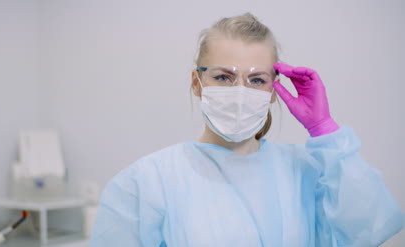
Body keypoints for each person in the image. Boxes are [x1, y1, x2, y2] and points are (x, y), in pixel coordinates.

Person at [90, 13, 404, 247]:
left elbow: (369, 228)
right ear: (197, 83)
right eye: (224, 77)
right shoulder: (145, 183)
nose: (240, 92)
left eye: (256, 80)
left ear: (272, 90)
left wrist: (324, 130)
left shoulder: (305, 173)